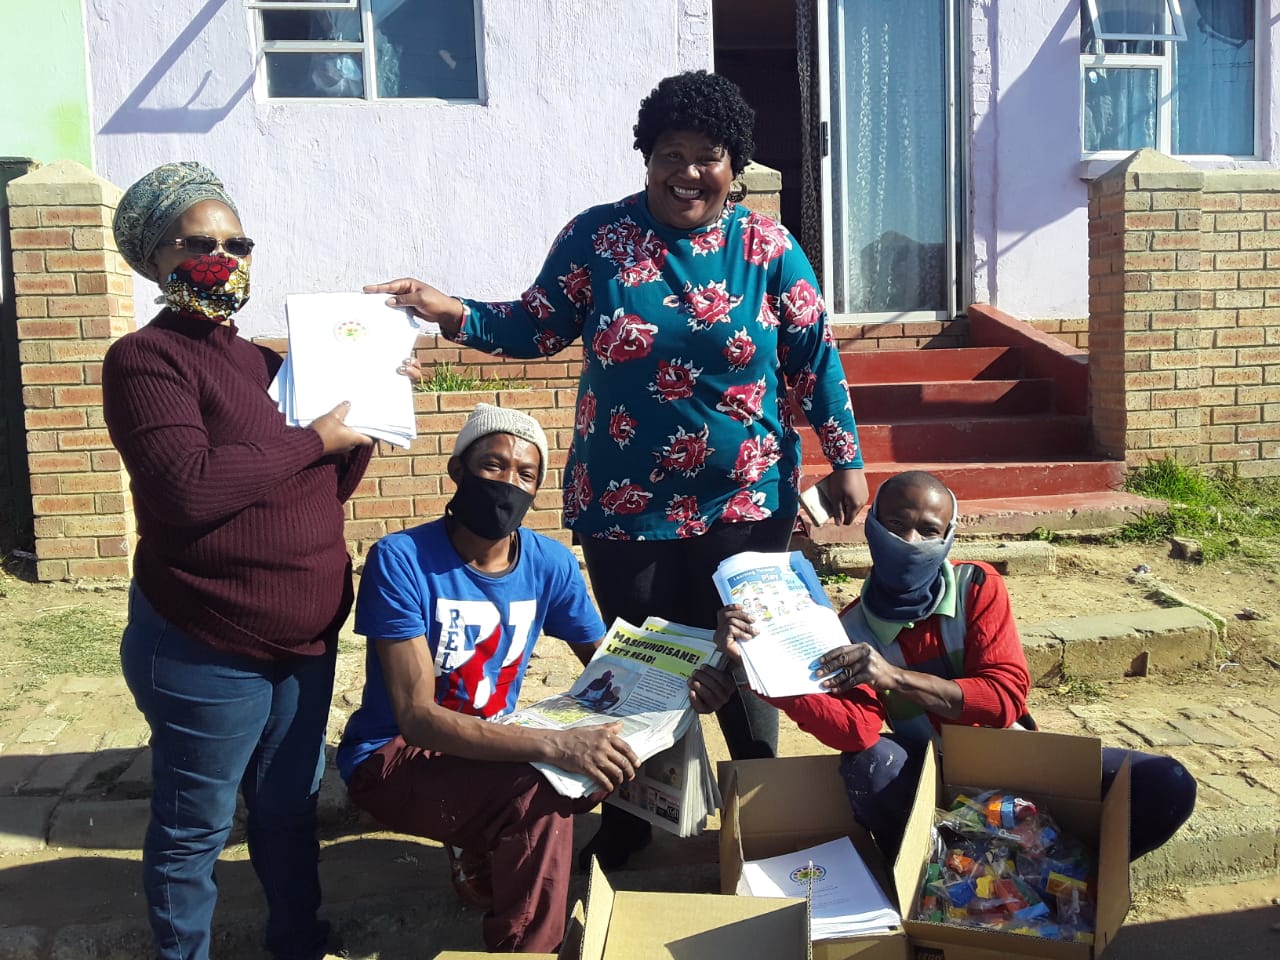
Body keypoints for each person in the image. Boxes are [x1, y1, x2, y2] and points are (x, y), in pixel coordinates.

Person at [365, 69, 869, 868]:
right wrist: (452, 311)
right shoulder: (599, 239)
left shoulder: (768, 248)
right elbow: (536, 325)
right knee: (647, 658)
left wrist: (846, 457)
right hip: (626, 503)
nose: (688, 172)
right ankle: (642, 810)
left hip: (746, 497)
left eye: (707, 156)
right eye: (671, 153)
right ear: (646, 157)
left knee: (750, 656)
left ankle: (762, 804)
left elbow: (813, 354)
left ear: (733, 165)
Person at [104, 161, 412, 960]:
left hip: (303, 645)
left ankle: (297, 939)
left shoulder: (268, 364)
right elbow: (188, 489)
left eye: (237, 242)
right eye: (198, 243)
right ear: (155, 257)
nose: (223, 257)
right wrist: (316, 437)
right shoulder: (146, 361)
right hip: (208, 642)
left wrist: (368, 416)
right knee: (194, 827)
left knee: (288, 808)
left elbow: (322, 484)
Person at [335, 403, 733, 953]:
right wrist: (554, 744)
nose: (508, 483)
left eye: (526, 474)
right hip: (396, 757)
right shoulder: (400, 559)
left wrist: (689, 680)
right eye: (492, 466)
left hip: (495, 741)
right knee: (544, 786)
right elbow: (418, 719)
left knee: (605, 753)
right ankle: (528, 946)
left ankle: (485, 840)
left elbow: (613, 660)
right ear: (457, 471)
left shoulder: (549, 561)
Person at [716, 470, 1198, 863]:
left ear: (948, 537)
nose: (910, 541)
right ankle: (950, 871)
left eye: (928, 531)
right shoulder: (849, 627)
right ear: (871, 528)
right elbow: (858, 731)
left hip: (1014, 761)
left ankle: (1066, 868)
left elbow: (1005, 697)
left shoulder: (976, 587)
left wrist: (894, 677)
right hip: (933, 780)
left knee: (1165, 783)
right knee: (869, 764)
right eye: (896, 525)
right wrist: (765, 672)